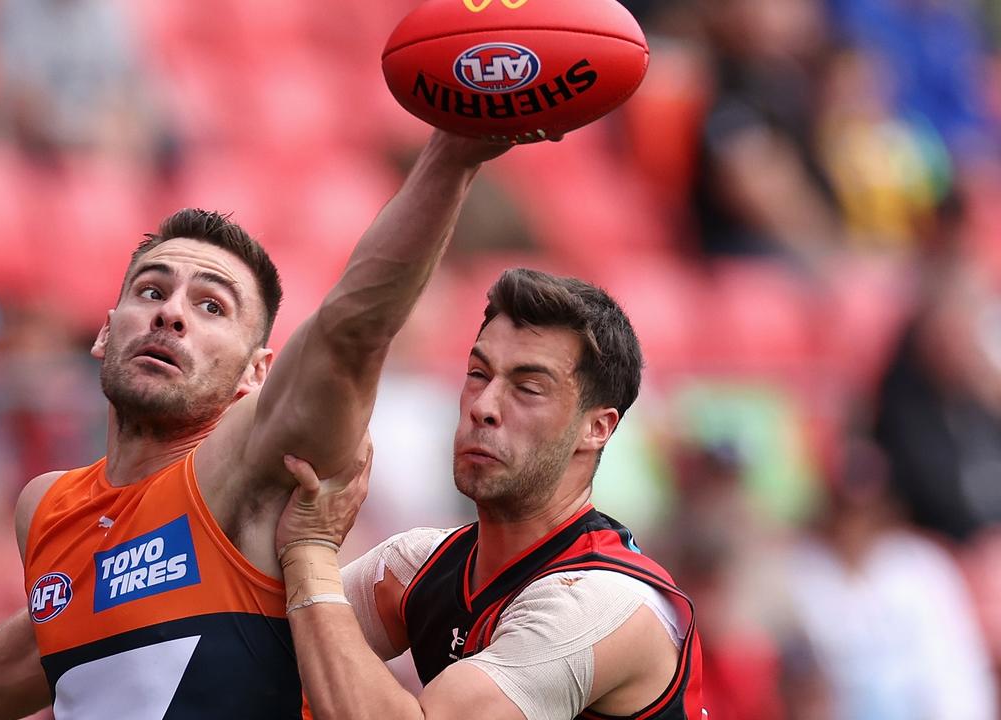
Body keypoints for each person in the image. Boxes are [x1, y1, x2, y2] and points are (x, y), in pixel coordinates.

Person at [0, 129, 510, 719]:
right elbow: (48, 642)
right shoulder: (43, 507)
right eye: (151, 291)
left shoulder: (240, 470)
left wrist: (450, 160)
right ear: (104, 331)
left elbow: (351, 333)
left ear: (255, 376)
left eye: (212, 305)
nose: (171, 314)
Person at [275, 268, 707, 719]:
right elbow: (257, 643)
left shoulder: (604, 603)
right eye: (478, 374)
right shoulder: (421, 564)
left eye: (528, 388)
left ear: (597, 428)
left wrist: (310, 548)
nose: (483, 406)